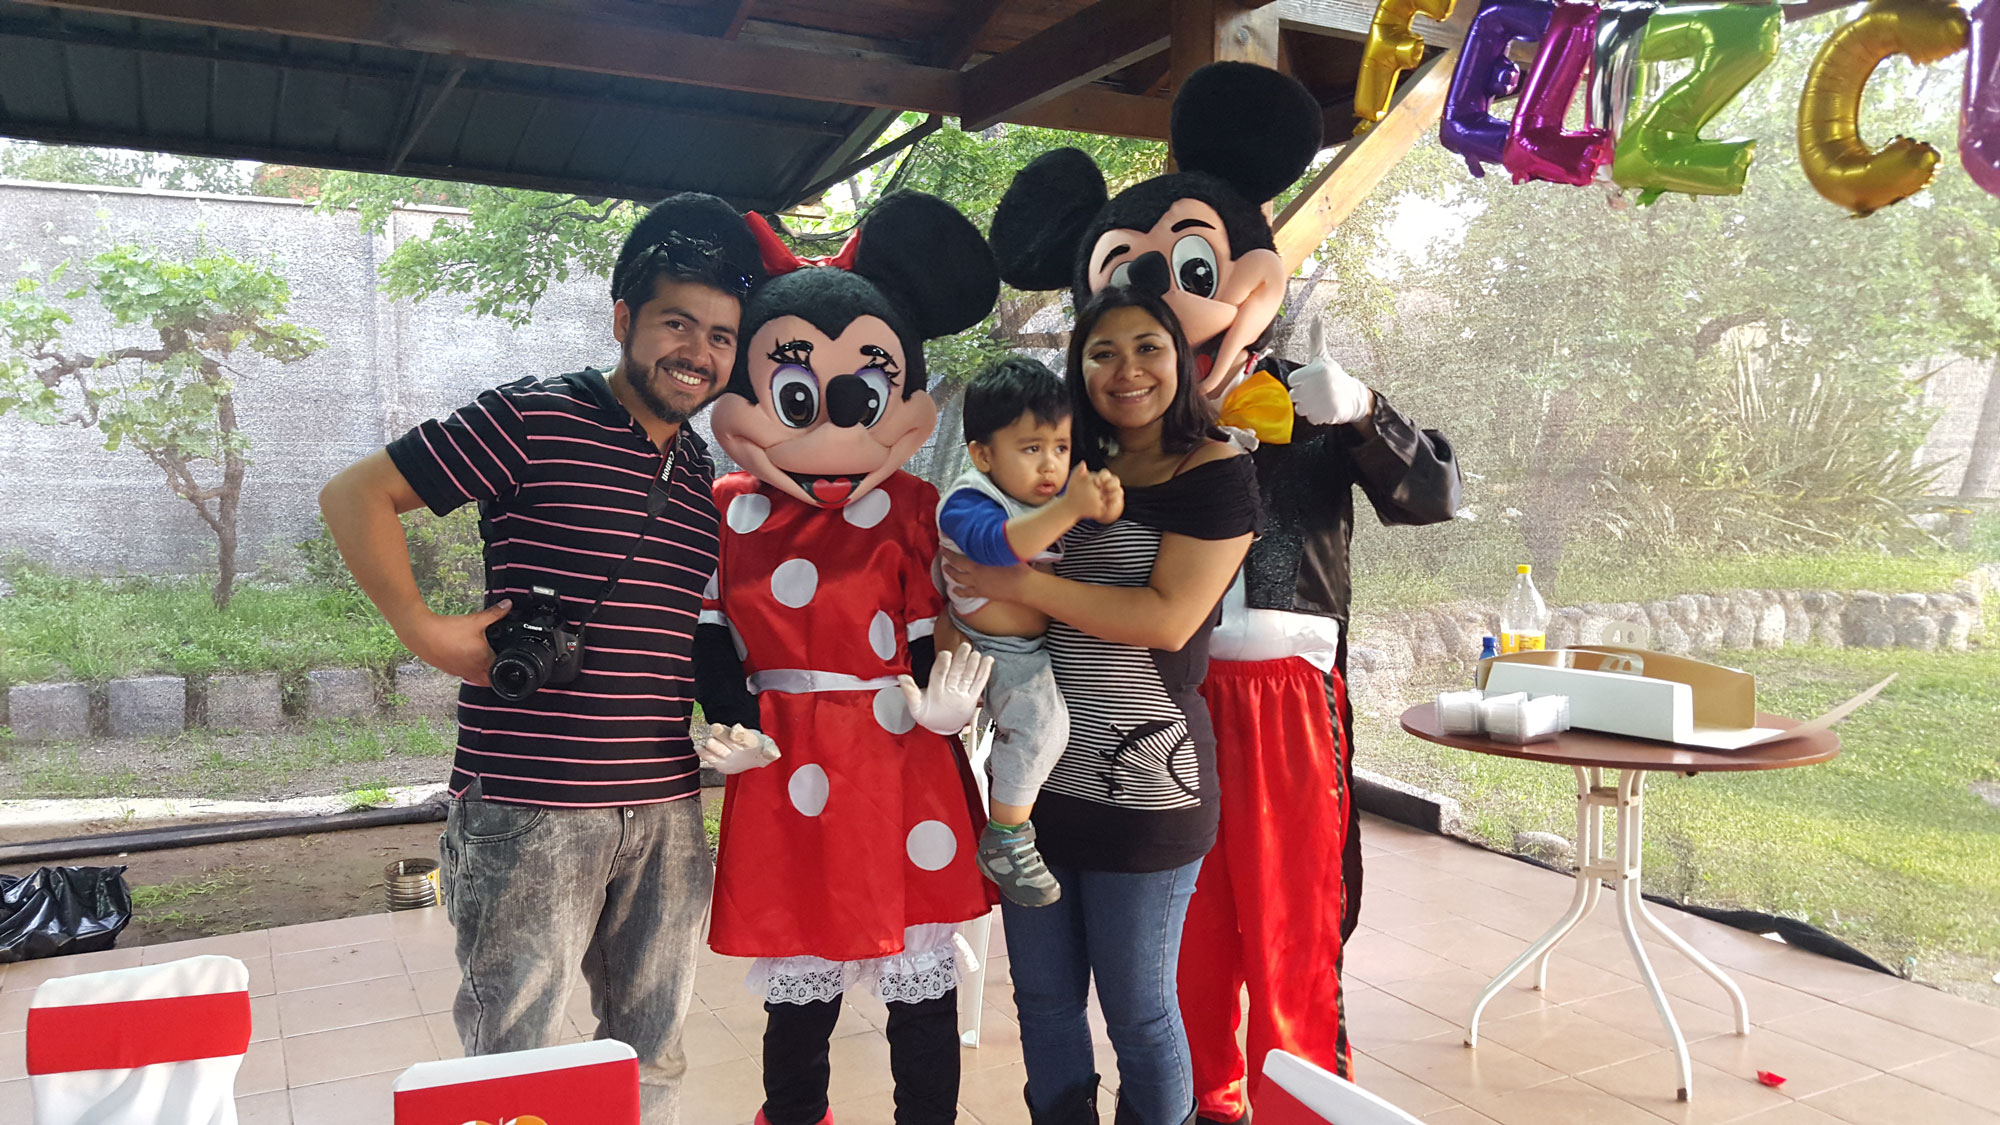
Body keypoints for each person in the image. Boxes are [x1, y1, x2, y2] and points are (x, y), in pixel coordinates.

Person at [987, 62, 1462, 1121]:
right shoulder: (1081, 435)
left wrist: (1367, 414)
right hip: (1136, 705)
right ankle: (1210, 1102)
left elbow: (1434, 497)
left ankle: (1300, 1105)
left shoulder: (1309, 398)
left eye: (1189, 272)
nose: (1159, 318)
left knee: (1293, 922)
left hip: (1283, 695)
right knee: (1177, 948)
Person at [316, 192, 764, 1125]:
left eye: (720, 335)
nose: (698, 351)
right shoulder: (533, 417)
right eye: (677, 322)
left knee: (652, 1049)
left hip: (666, 805)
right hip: (530, 805)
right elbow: (356, 493)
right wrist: (424, 628)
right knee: (517, 1060)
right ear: (623, 319)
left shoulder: (697, 475)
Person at [691, 191, 1000, 1125]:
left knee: (921, 985)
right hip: (784, 756)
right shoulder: (728, 509)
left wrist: (948, 703)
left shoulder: (911, 505)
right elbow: (711, 635)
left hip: (899, 748)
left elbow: (929, 628)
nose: (829, 427)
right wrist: (727, 717)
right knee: (801, 987)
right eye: (794, 396)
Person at [945, 287, 1262, 1125]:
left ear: (1180, 357)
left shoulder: (1217, 471)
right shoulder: (1063, 464)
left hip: (1147, 789)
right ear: (1078, 367)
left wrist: (1019, 584)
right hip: (1037, 784)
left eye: (1147, 346)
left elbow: (1166, 618)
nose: (1128, 370)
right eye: (1103, 352)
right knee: (1044, 1001)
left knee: (1139, 1012)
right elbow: (969, 553)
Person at [937, 355, 1123, 907]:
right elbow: (1000, 547)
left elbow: (1071, 518)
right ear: (983, 455)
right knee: (1042, 726)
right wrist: (1070, 507)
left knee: (1048, 730)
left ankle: (1010, 813)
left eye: (1061, 448)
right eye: (1032, 448)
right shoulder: (969, 499)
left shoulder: (1037, 498)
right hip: (991, 646)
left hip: (1027, 646)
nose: (1051, 465)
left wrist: (1101, 505)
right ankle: (1006, 837)